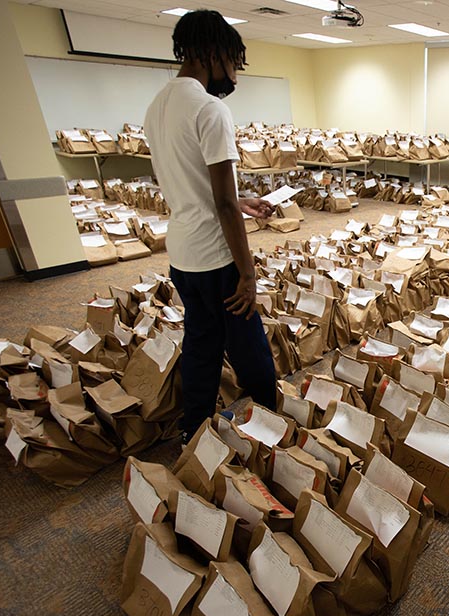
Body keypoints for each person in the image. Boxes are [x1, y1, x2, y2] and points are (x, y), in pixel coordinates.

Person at [144, 9, 276, 442]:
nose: (234, 75)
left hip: (182, 254)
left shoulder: (157, 106)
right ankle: (273, 425)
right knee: (249, 346)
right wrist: (248, 273)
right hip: (217, 256)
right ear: (212, 52)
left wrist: (241, 200)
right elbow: (220, 204)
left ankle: (193, 428)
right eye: (233, 62)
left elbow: (195, 183)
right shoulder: (210, 109)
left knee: (201, 342)